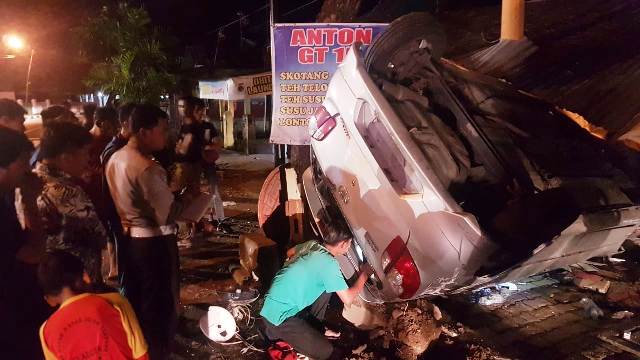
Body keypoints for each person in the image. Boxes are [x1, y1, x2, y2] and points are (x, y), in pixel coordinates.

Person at [106, 104, 194, 359]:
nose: (166, 135)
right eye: (162, 129)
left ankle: (140, 349)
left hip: (129, 239)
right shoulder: (147, 167)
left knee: (137, 300)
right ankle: (157, 351)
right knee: (159, 305)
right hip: (155, 242)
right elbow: (168, 213)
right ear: (144, 132)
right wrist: (189, 200)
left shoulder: (116, 158)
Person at [260, 225, 374, 360]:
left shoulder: (313, 245)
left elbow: (290, 252)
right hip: (277, 319)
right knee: (327, 351)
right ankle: (302, 345)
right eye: (349, 243)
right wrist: (365, 273)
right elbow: (348, 298)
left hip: (274, 303)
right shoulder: (329, 264)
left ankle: (316, 330)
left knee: (326, 288)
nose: (350, 247)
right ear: (343, 244)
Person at [38, 250, 149, 360]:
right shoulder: (115, 301)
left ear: (49, 299)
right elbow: (140, 354)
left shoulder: (46, 332)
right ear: (84, 277)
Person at [35, 121, 109, 283]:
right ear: (66, 157)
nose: (88, 160)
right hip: (76, 281)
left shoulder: (32, 181)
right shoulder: (67, 192)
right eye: (85, 153)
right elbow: (100, 235)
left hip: (49, 280)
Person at [0, 127, 50, 360]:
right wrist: (30, 201)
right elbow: (34, 253)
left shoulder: (5, 198)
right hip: (12, 313)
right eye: (22, 164)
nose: (28, 170)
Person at [173, 96, 227, 234]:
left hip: (205, 165)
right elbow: (180, 147)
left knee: (212, 192)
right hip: (193, 166)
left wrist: (205, 148)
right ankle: (196, 224)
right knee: (192, 196)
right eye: (196, 110)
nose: (199, 113)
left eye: (200, 110)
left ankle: (219, 220)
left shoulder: (206, 126)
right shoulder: (186, 127)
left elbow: (217, 144)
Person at [100, 102, 136, 282]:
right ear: (125, 123)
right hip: (118, 213)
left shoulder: (120, 147)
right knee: (125, 259)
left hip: (121, 213)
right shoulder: (115, 150)